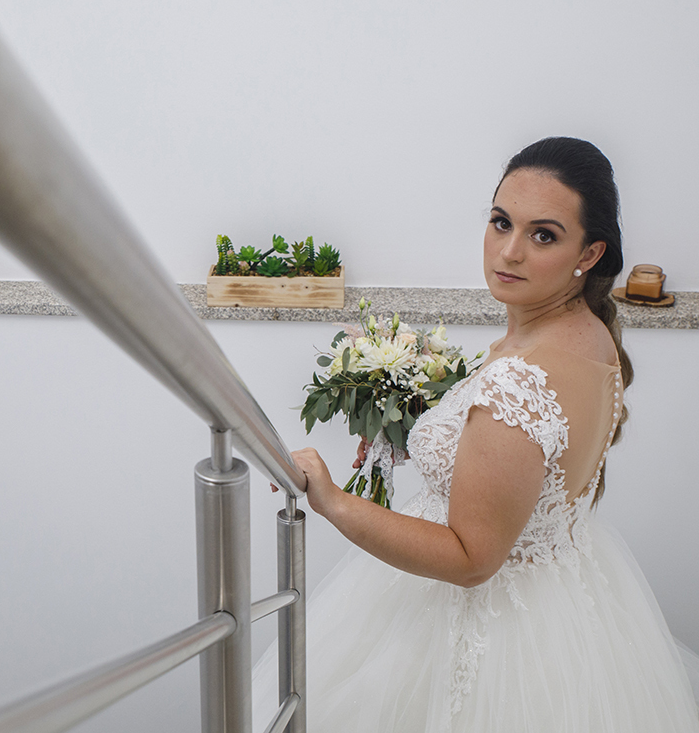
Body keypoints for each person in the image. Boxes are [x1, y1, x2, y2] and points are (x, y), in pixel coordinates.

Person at [253, 137, 699, 732]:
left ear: (589, 253)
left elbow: (471, 558)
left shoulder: (521, 378)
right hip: (562, 602)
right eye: (500, 222)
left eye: (543, 235)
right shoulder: (591, 338)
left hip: (485, 631)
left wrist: (332, 500)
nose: (508, 251)